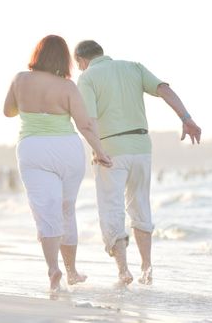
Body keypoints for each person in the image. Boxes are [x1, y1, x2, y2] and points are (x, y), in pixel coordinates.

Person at [74, 40, 202, 285]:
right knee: (140, 205)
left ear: (81, 60)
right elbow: (164, 90)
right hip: (141, 147)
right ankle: (147, 267)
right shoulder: (133, 67)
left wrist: (97, 150)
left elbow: (89, 121)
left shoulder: (88, 77)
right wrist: (187, 119)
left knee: (112, 209)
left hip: (110, 149)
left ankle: (123, 270)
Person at [3, 35, 112, 292]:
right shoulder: (68, 87)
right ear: (65, 59)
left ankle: (53, 269)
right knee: (66, 209)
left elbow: (8, 111)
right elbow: (84, 124)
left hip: (32, 149)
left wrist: (30, 106)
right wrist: (100, 151)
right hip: (67, 150)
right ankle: (72, 271)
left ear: (37, 54)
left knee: (45, 210)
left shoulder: (20, 79)